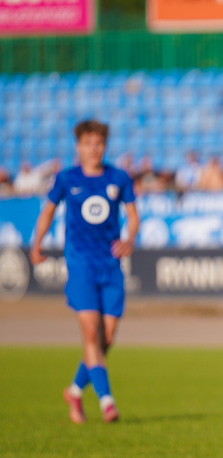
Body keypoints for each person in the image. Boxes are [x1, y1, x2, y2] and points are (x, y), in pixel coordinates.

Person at [30, 120, 139, 424]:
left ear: (105, 145)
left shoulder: (119, 177)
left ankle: (75, 391)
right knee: (90, 332)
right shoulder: (67, 178)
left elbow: (132, 215)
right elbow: (48, 211)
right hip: (80, 265)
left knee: (108, 337)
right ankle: (107, 401)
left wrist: (130, 239)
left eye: (99, 143)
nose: (94, 148)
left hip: (111, 265)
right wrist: (36, 243)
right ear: (78, 146)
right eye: (88, 143)